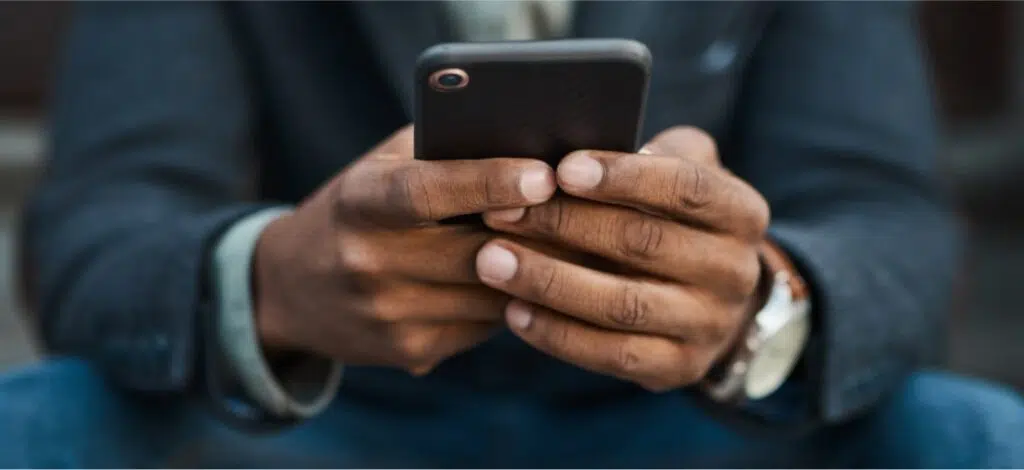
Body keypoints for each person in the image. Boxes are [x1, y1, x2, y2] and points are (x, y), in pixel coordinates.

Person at [3, 1, 1022, 467]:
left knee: (978, 436)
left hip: (693, 422)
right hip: (314, 420)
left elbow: (889, 218)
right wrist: (273, 284)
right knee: (36, 422)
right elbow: (99, 225)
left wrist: (754, 306)